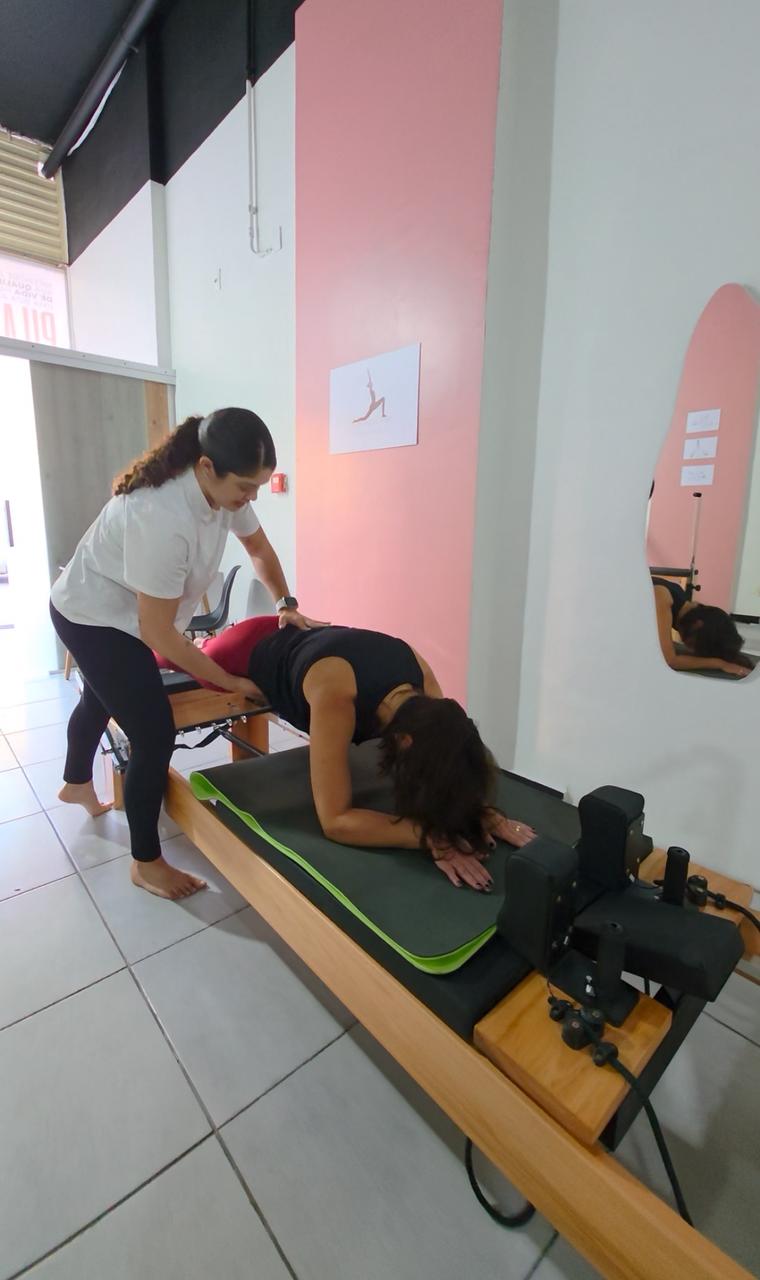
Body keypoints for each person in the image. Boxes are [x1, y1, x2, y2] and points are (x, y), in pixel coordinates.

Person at [50, 408, 323, 901]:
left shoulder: (224, 491)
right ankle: (146, 863)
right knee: (153, 733)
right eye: (246, 487)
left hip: (129, 615)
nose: (252, 497)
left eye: (259, 486)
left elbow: (259, 548)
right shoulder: (160, 515)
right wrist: (227, 681)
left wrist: (286, 603)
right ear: (206, 467)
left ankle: (75, 783)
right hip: (91, 616)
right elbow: (157, 631)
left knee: (102, 696)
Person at [157, 616, 538, 891]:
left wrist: (481, 812)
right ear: (405, 742)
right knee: (166, 653)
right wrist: (428, 837)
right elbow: (336, 820)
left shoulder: (424, 686)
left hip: (304, 639)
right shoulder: (338, 698)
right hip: (243, 649)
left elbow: (448, 756)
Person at [651, 576, 752, 677]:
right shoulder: (662, 596)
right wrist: (721, 664)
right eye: (692, 645)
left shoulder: (677, 595)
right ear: (697, 625)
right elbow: (669, 660)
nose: (690, 649)